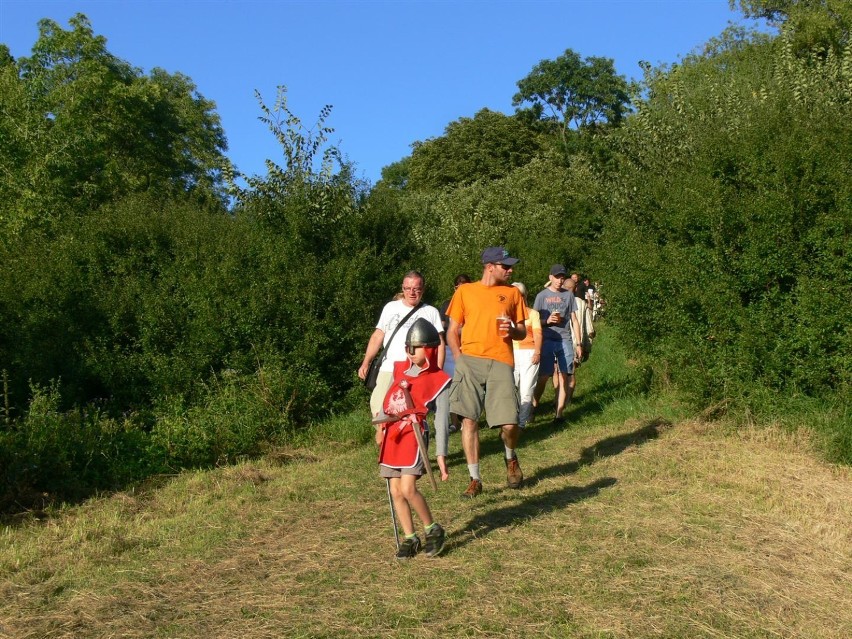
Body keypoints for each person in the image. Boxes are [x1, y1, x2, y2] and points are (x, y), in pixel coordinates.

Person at [446, 246, 528, 497]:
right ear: (490, 267)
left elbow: (523, 331)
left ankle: (510, 457)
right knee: (468, 420)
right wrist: (459, 359)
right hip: (469, 361)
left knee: (510, 423)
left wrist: (512, 331)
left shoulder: (513, 293)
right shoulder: (465, 292)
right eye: (506, 266)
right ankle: (475, 479)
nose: (510, 270)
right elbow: (452, 329)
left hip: (501, 360)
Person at [376, 318, 451, 559]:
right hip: (393, 435)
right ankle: (410, 538)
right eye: (409, 347)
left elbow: (441, 419)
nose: (410, 352)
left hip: (414, 435)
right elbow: (387, 402)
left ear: (429, 349)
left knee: (408, 488)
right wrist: (380, 427)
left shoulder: (439, 379)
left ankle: (433, 529)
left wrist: (441, 453)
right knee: (395, 490)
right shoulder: (399, 370)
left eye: (416, 348)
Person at [358, 271, 445, 428]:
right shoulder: (390, 308)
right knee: (378, 407)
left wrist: (436, 371)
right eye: (407, 288)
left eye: (416, 289)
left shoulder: (430, 312)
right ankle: (385, 439)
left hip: (416, 370)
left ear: (423, 289)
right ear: (402, 289)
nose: (412, 292)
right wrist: (366, 362)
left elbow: (439, 343)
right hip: (389, 368)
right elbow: (377, 336)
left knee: (409, 412)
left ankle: (407, 445)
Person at [532, 264, 582, 425]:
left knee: (564, 374)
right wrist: (546, 321)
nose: (560, 280)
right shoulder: (541, 296)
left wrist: (579, 343)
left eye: (562, 277)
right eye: (557, 277)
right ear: (550, 277)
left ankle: (559, 413)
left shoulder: (568, 296)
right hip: (546, 339)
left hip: (564, 339)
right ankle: (533, 405)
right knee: (544, 376)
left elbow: (574, 319)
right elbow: (533, 321)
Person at [438, 274, 472, 436]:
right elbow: (442, 328)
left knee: (468, 386)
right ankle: (454, 422)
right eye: (459, 286)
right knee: (451, 385)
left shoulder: (473, 303)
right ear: (455, 288)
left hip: (469, 347)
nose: (462, 289)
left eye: (466, 286)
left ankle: (468, 419)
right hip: (450, 350)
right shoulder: (446, 304)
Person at [511, 282, 542, 429]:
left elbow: (538, 334)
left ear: (524, 296)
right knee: (510, 388)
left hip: (529, 354)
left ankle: (521, 424)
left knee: (526, 389)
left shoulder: (533, 314)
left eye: (519, 295)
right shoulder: (506, 315)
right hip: (510, 354)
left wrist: (537, 352)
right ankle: (511, 420)